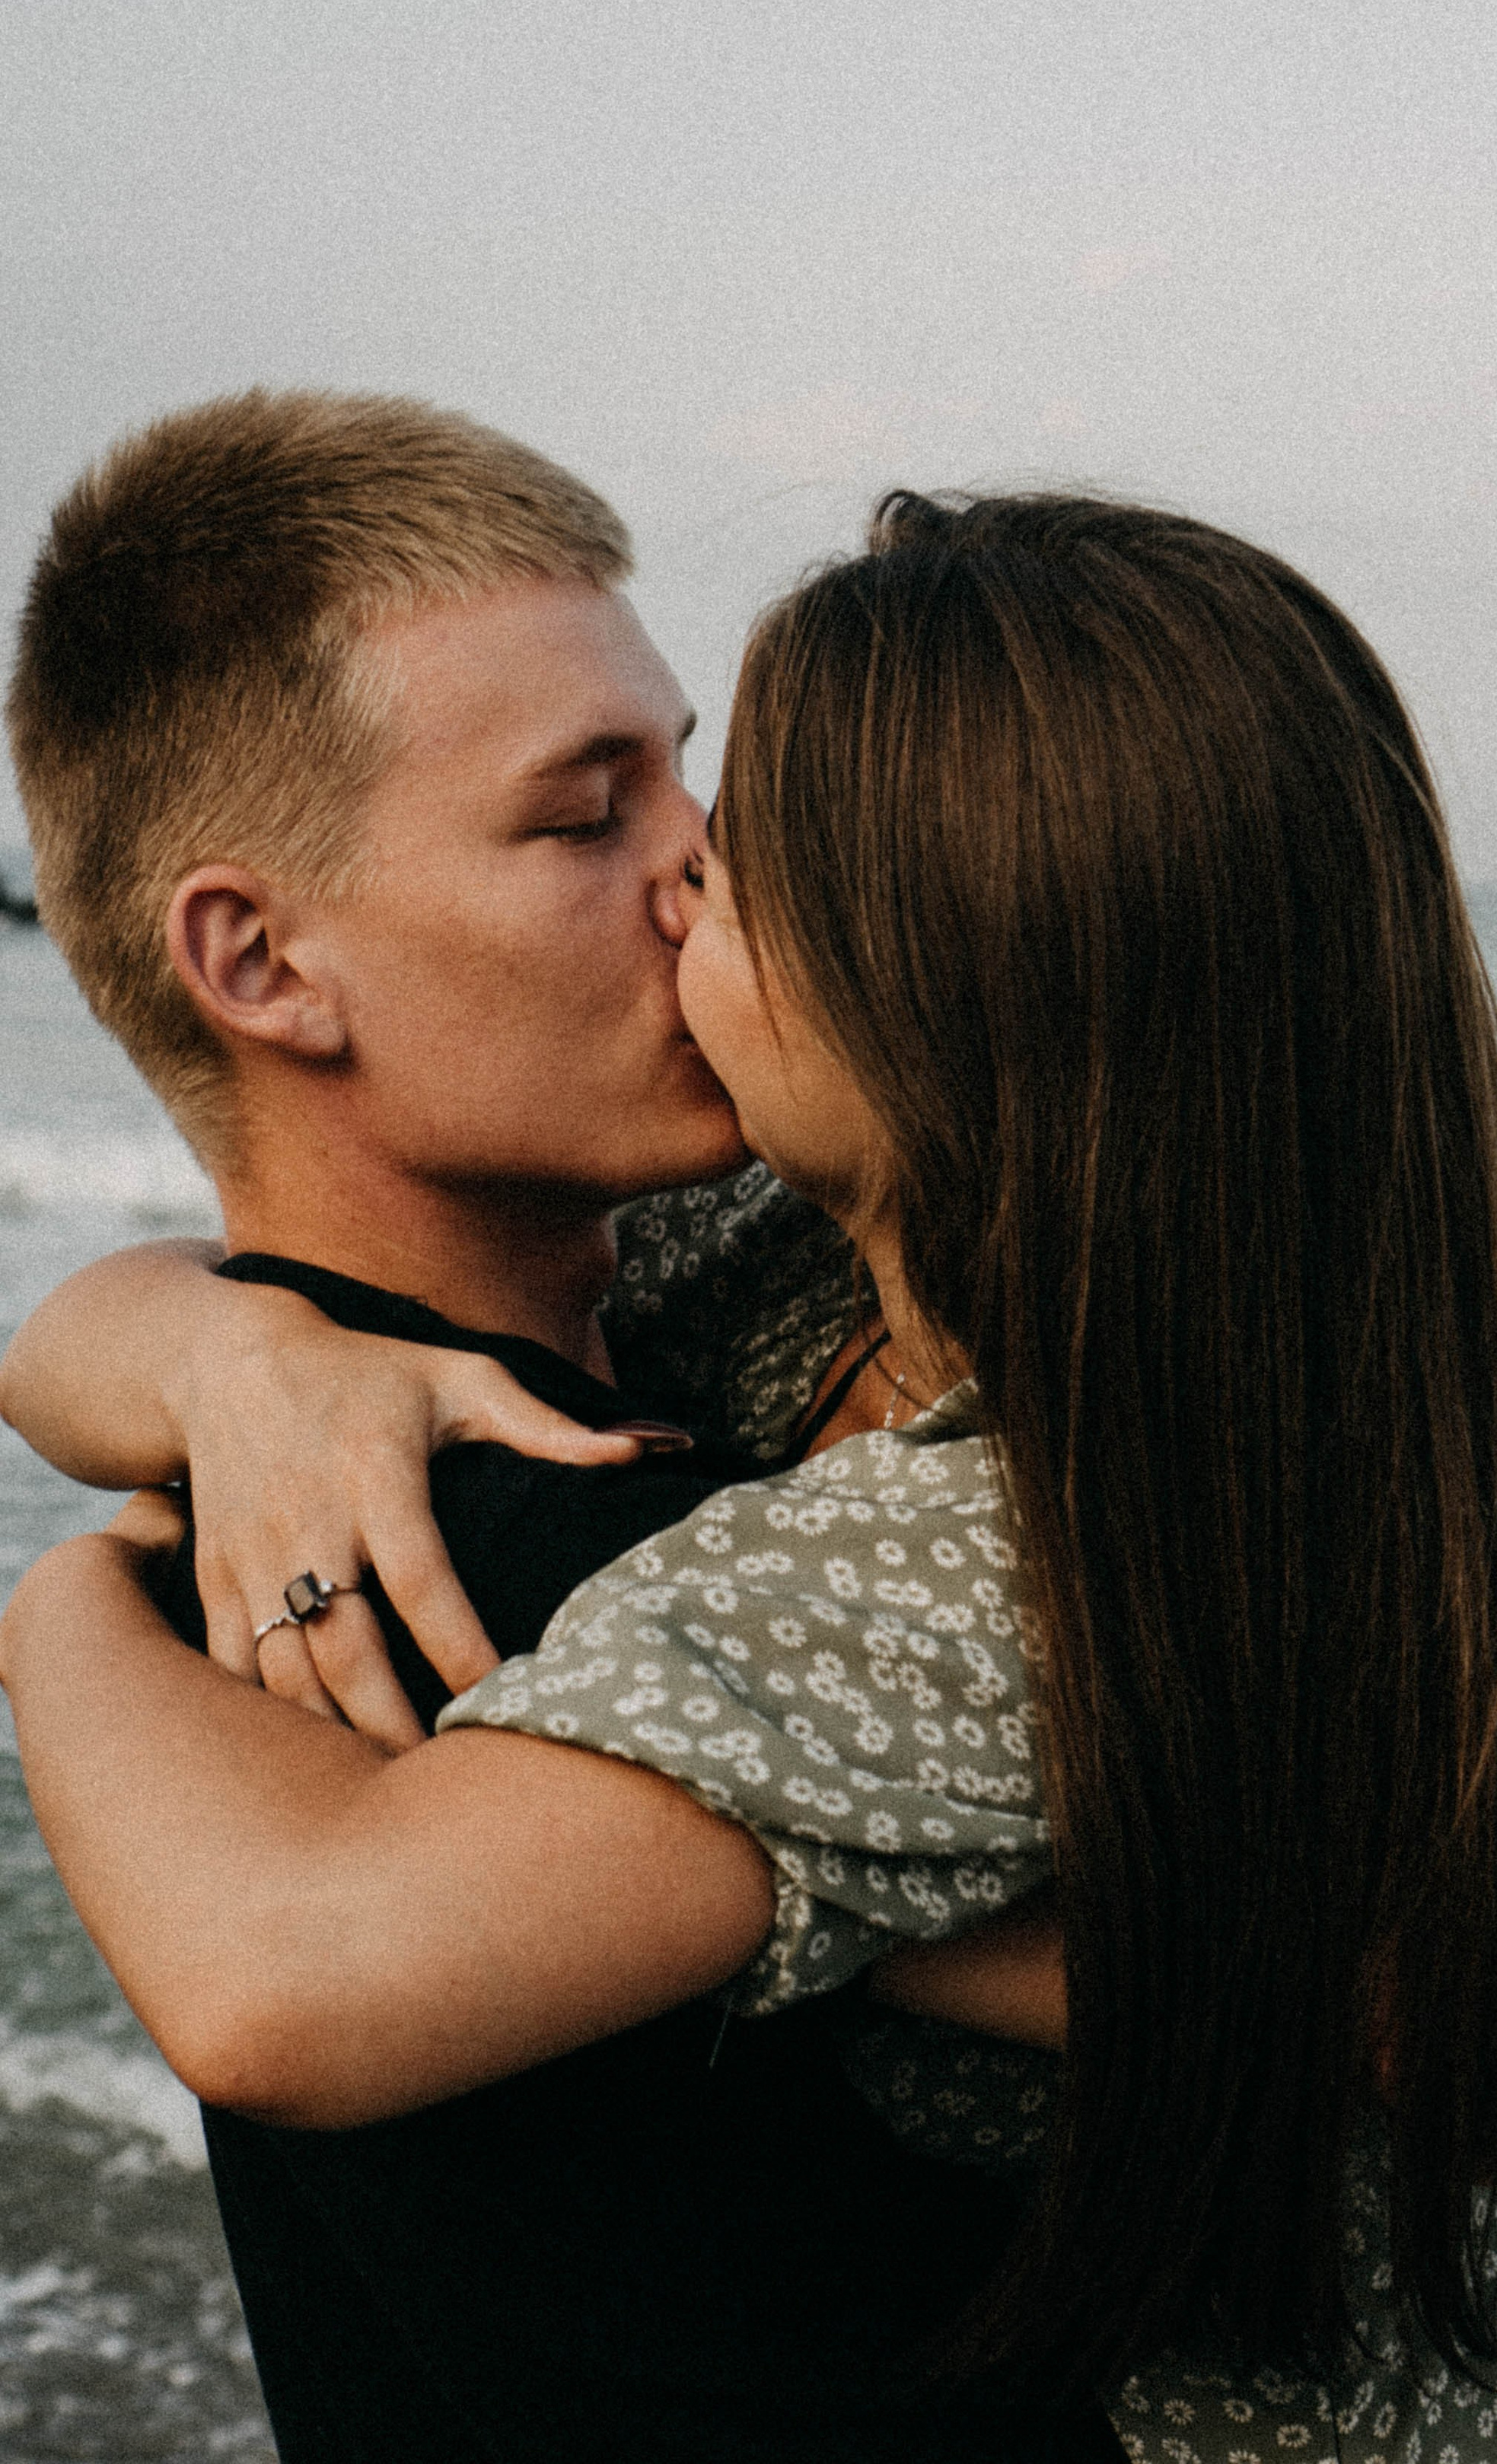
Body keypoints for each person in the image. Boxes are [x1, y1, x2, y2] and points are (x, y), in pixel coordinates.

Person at [1, 487, 1497, 2462]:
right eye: (596, 809)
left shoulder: (931, 1566)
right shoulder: (1121, 1331)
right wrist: (211, 1346)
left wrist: (61, 1604)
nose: (686, 875)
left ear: (950, 1008)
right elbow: (102, 1347)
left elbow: (285, 1991)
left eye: (736, 841)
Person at [0, 392, 1115, 2463]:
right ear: (260, 960)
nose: (706, 864)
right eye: (582, 813)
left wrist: (174, 1373)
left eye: (682, 770)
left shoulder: (504, 1393)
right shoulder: (560, 1559)